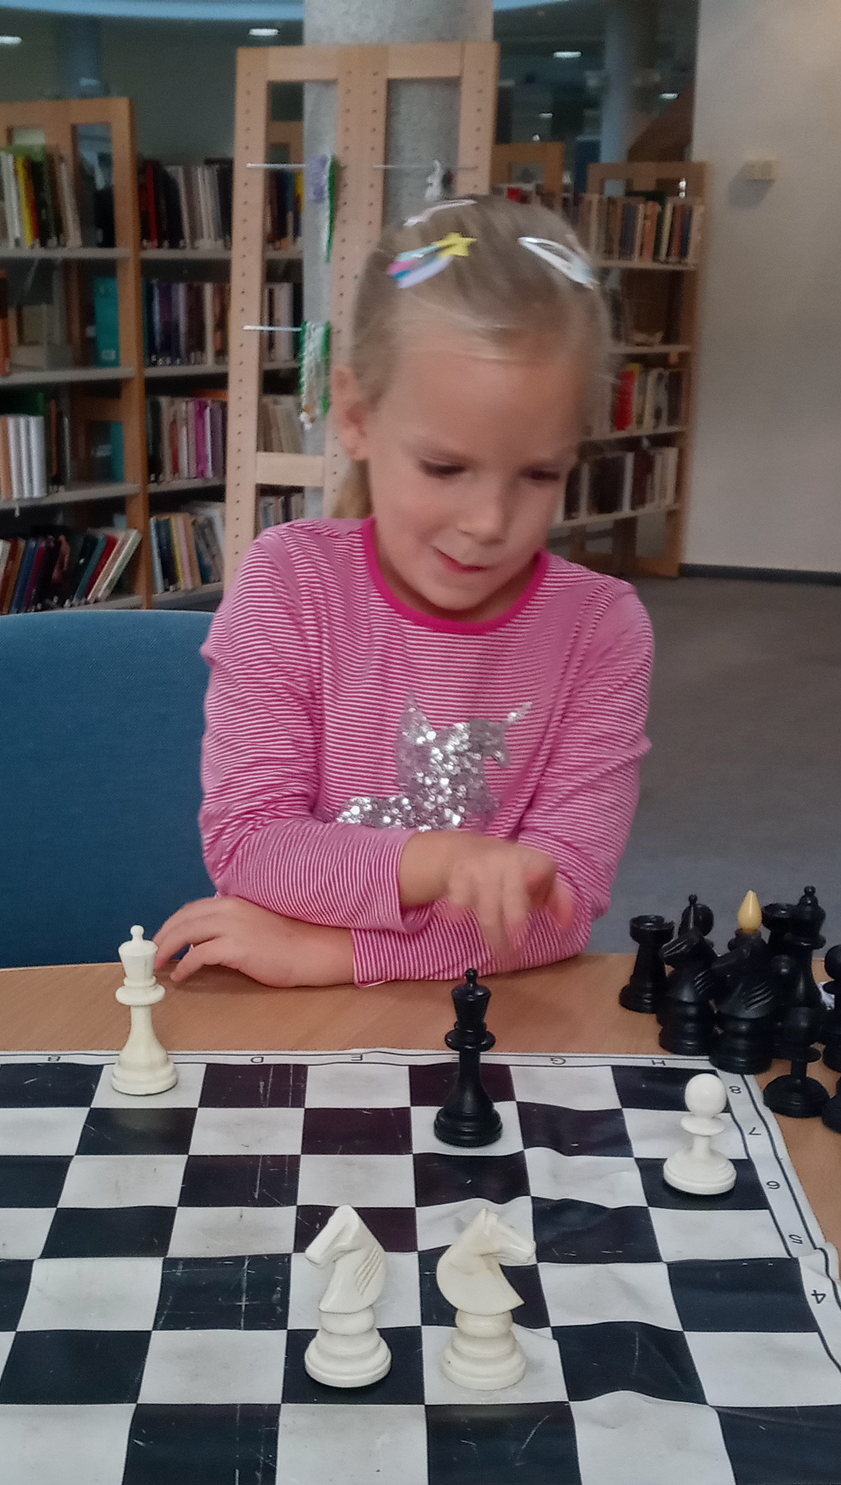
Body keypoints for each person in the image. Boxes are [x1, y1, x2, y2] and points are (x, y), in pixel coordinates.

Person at [155, 194, 654, 987]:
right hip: (293, 1021)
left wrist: (340, 954)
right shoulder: (289, 582)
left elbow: (565, 905)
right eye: (445, 468)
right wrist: (448, 863)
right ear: (356, 415)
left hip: (474, 1012)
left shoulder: (602, 628)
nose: (490, 522)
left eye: (539, 475)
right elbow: (251, 844)